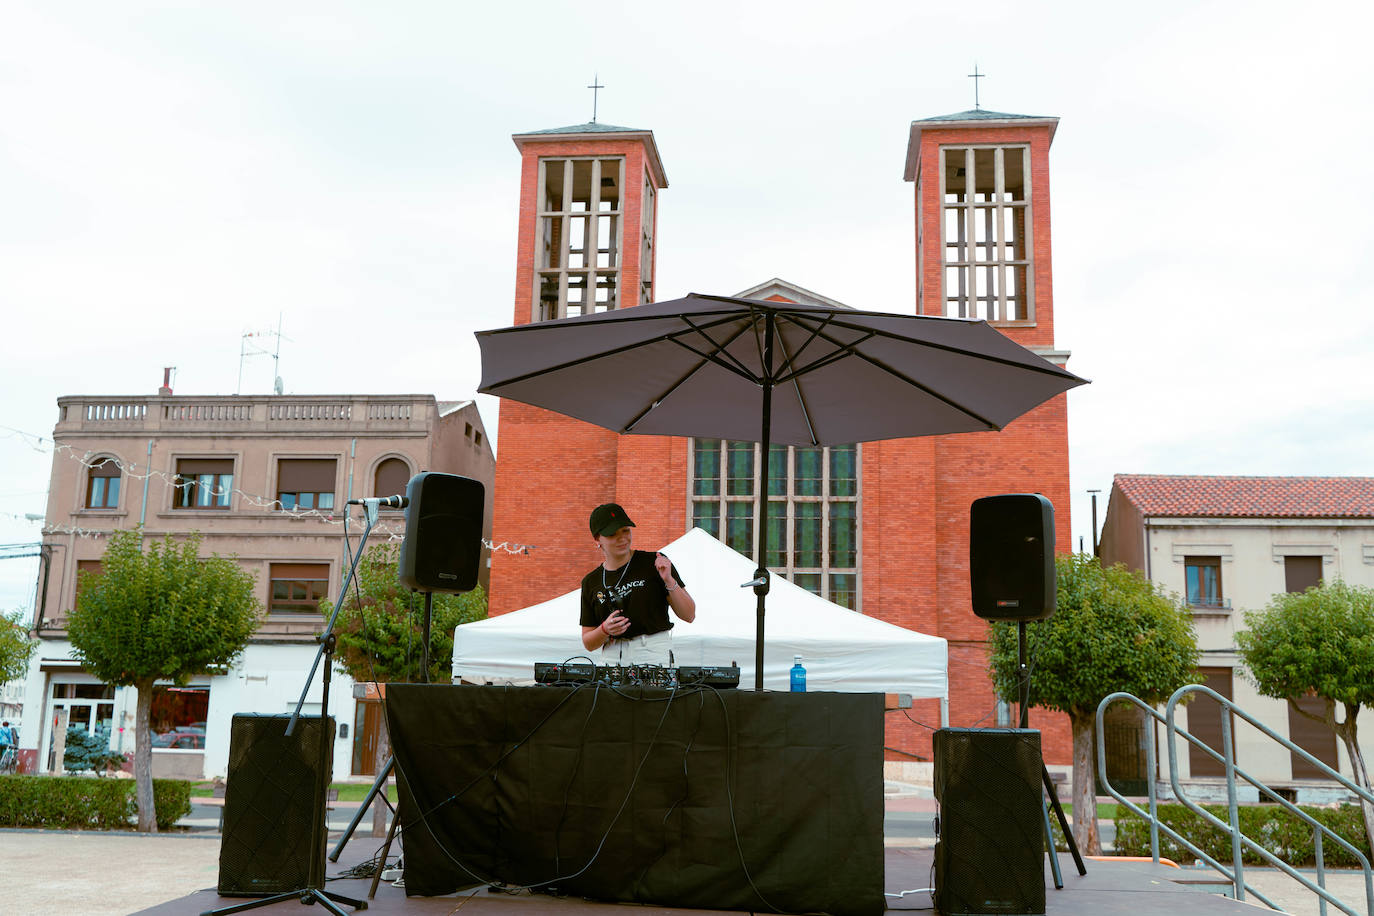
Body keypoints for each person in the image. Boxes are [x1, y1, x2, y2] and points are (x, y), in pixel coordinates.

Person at [580, 503, 695, 665]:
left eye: (626, 530)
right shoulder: (591, 581)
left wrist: (669, 580)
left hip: (653, 650)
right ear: (597, 539)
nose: (622, 538)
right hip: (612, 656)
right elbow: (588, 642)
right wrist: (604, 629)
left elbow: (689, 615)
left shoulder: (655, 562)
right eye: (612, 534)